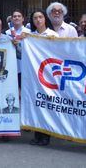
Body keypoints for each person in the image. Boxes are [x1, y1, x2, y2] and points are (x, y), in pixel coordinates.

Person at [27, 10, 57, 147]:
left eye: (40, 17)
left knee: (46, 105)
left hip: (48, 76)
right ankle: (37, 134)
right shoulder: (30, 36)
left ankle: (46, 136)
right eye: (35, 18)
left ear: (45, 19)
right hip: (34, 77)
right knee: (36, 105)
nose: (38, 20)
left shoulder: (53, 35)